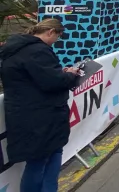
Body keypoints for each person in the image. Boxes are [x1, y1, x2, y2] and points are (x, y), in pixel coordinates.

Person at [0, 19, 81, 192]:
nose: (57, 41)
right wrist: (71, 75)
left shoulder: (16, 49)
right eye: (58, 37)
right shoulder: (37, 51)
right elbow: (52, 81)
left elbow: (37, 77)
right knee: (40, 162)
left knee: (45, 158)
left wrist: (60, 73)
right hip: (42, 116)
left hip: (29, 114)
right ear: (51, 32)